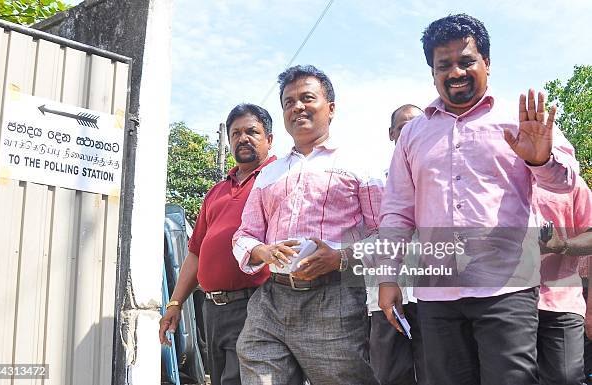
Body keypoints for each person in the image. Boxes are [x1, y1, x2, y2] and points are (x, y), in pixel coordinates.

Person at [374, 14, 579, 385]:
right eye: (444, 65)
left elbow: (566, 184)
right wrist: (388, 275)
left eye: (466, 61)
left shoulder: (521, 122)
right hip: (437, 293)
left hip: (507, 288)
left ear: (487, 62)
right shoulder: (413, 135)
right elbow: (397, 212)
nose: (456, 72)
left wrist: (540, 159)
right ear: (432, 72)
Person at [232, 65, 383, 385]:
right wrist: (263, 250)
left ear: (331, 108)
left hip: (336, 299)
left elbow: (386, 233)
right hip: (271, 302)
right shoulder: (269, 175)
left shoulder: (360, 164)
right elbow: (244, 234)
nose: (297, 107)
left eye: (307, 98)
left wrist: (340, 257)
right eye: (289, 102)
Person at [158, 103, 276, 385]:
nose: (242, 138)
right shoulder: (217, 190)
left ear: (269, 139)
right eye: (235, 133)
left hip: (255, 303)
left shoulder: (279, 179)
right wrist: (175, 303)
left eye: (252, 132)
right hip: (212, 311)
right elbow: (195, 252)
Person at [368, 104, 427, 385]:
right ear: (392, 133)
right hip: (384, 299)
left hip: (431, 295)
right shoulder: (376, 183)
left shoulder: (436, 176)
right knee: (389, 375)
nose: (411, 131)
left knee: (436, 372)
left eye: (418, 124)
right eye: (403, 126)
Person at [535, 175, 592, 385]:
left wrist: (562, 245)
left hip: (560, 301)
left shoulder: (570, 181)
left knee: (565, 378)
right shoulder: (492, 178)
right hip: (498, 300)